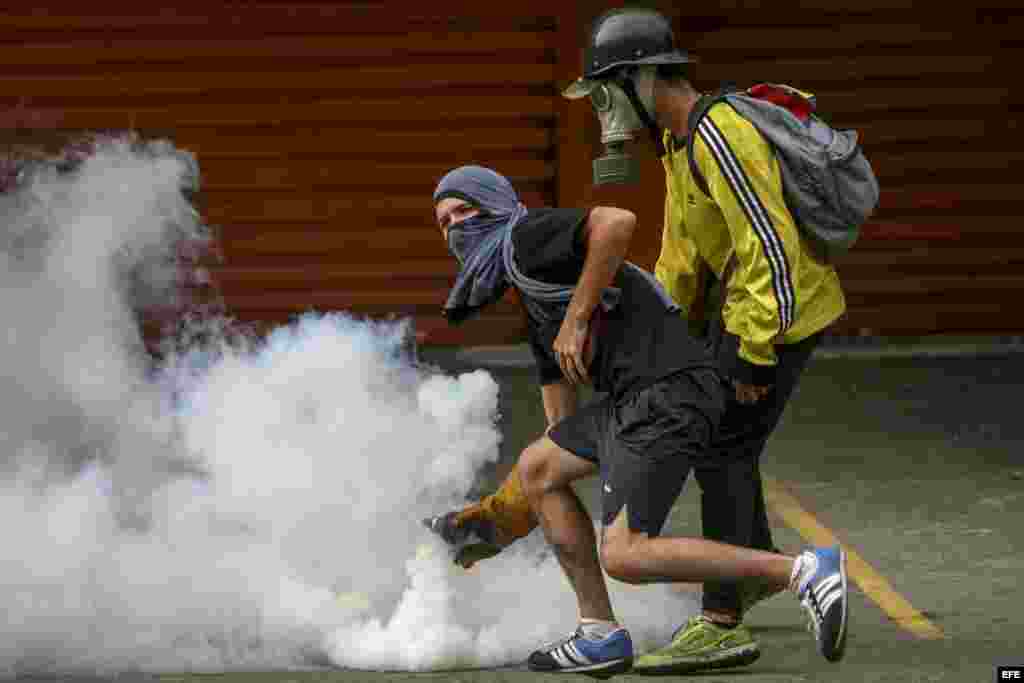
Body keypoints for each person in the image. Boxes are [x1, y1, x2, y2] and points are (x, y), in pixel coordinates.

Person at [428, 7, 850, 675]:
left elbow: (768, 248)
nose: (600, 110)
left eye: (604, 91)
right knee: (712, 448)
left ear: (645, 78)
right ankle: (746, 579)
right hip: (727, 330)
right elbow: (682, 259)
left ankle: (735, 607)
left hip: (779, 316)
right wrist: (661, 328)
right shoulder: (679, 145)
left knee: (722, 451)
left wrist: (747, 352)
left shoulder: (719, 133)